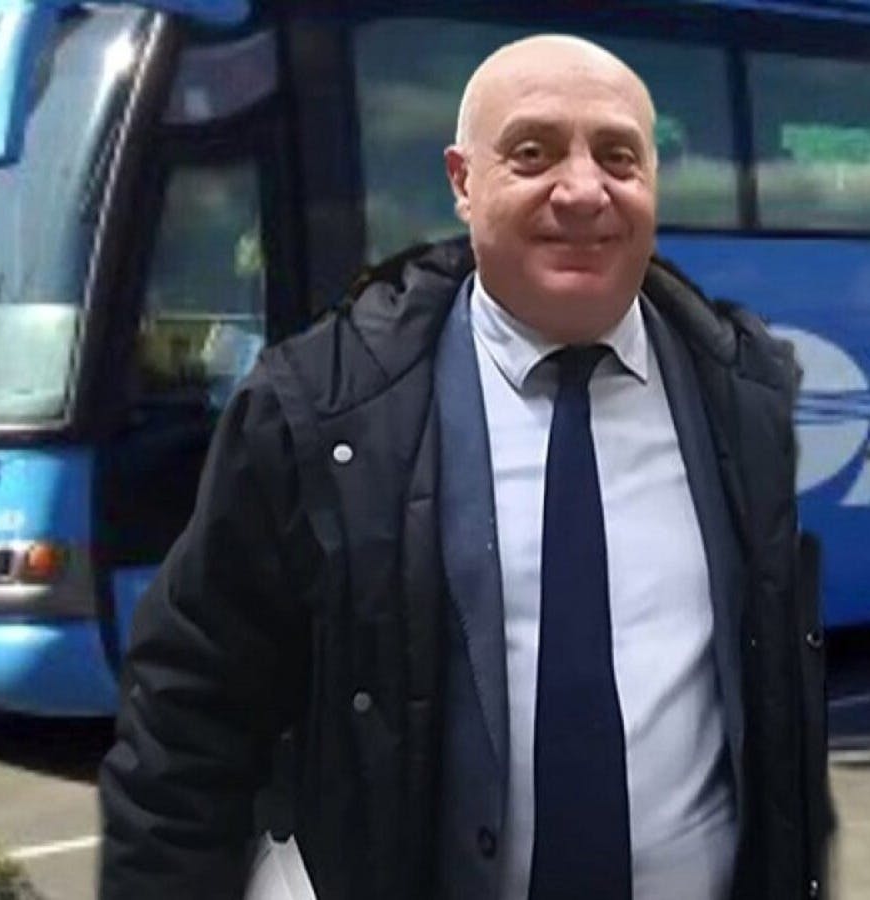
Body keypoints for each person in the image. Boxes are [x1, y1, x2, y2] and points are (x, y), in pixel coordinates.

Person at [99, 33, 832, 900]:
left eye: (619, 156)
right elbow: (188, 721)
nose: (584, 189)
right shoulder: (316, 414)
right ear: (461, 181)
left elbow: (778, 726)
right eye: (533, 153)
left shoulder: (743, 400)